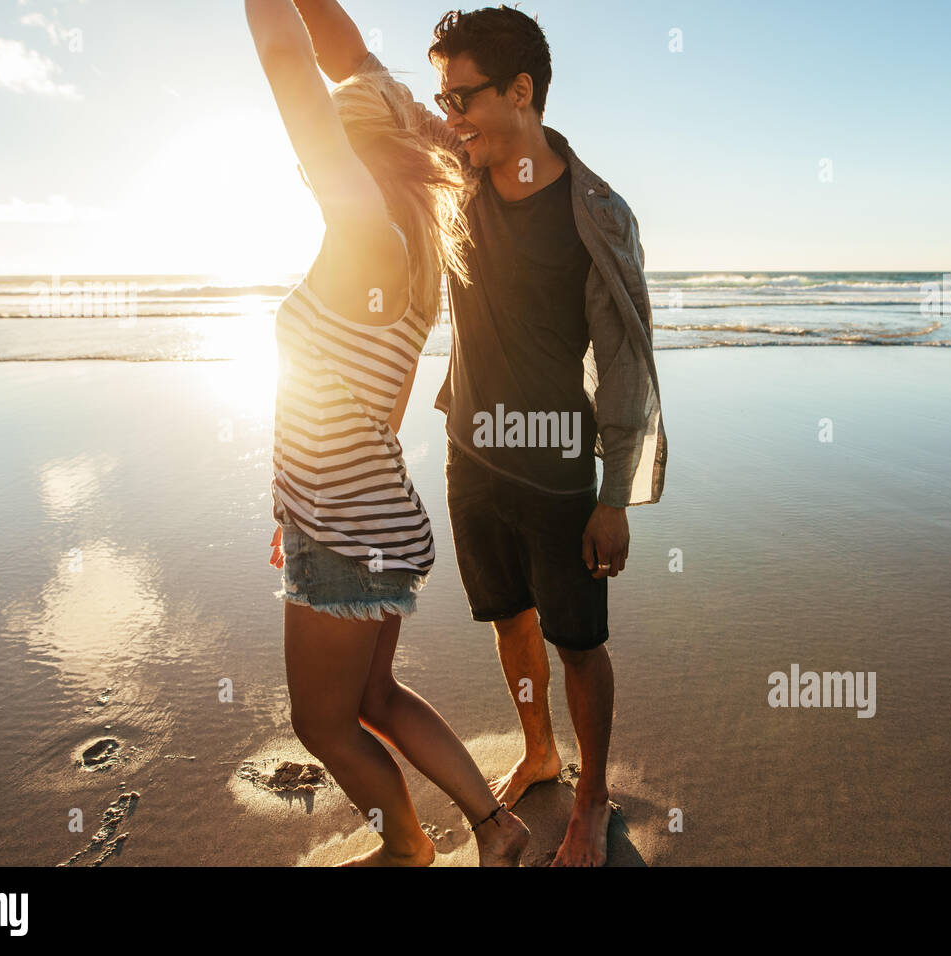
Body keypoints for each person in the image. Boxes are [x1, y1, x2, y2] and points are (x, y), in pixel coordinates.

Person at [294, 1, 668, 867]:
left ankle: (592, 797)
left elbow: (620, 365)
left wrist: (614, 498)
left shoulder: (596, 212)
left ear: (522, 92)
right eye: (444, 99)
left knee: (580, 642)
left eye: (463, 99)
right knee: (507, 618)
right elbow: (352, 64)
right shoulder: (455, 166)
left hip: (558, 467)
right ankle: (538, 748)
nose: (448, 114)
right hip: (470, 452)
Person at [246, 0, 529, 867]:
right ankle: (495, 827)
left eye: (327, 150)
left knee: (321, 720)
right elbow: (348, 55)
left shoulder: (364, 229)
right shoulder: (414, 241)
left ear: (354, 156)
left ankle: (408, 847)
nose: (311, 165)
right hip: (367, 511)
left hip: (346, 524)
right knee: (375, 696)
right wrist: (295, 506)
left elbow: (295, 71)